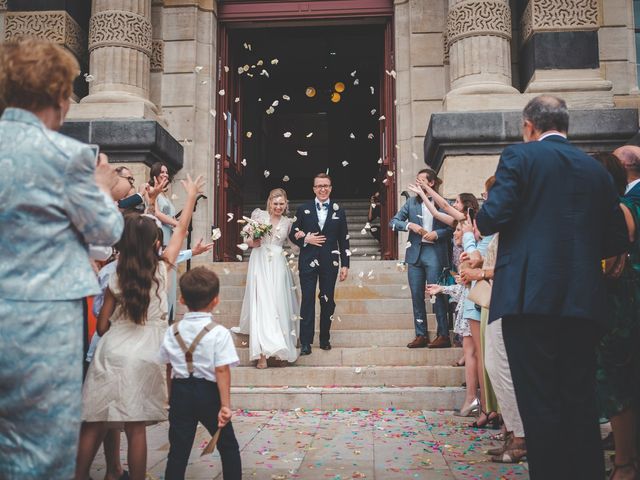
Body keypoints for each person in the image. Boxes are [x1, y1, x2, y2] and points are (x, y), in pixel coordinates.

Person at [476, 95, 629, 479]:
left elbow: (491, 217)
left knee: (539, 402)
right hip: (583, 301)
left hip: (529, 299)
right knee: (579, 401)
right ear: (566, 125)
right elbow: (614, 240)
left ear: (529, 126)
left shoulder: (519, 157)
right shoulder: (595, 169)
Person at [0, 37, 124, 479]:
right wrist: (103, 189)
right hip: (42, 324)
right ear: (58, 93)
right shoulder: (67, 157)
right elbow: (108, 232)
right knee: (42, 451)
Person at [75, 174, 205, 480]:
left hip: (110, 353)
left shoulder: (114, 274)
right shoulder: (163, 267)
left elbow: (103, 325)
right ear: (156, 242)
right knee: (135, 430)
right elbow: (182, 229)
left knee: (94, 422)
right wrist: (190, 198)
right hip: (145, 353)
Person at [160, 267, 242, 479]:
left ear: (181, 299)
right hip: (208, 394)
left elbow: (168, 366)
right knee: (228, 446)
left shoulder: (172, 331)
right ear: (216, 300)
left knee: (178, 450)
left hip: (180, 391)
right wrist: (225, 405)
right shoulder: (219, 333)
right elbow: (222, 369)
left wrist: (171, 397)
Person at [594, 151, 640, 480]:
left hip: (619, 305)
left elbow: (610, 265)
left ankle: (625, 464)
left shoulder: (617, 210)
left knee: (617, 384)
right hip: (626, 300)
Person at [232, 188, 300, 368]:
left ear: (286, 205)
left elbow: (294, 246)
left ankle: (279, 350)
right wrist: (252, 241)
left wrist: (304, 239)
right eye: (275, 203)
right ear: (269, 203)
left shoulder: (288, 222)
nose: (278, 207)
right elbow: (245, 236)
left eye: (281, 204)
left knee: (278, 304)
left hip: (278, 264)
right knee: (262, 304)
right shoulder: (259, 216)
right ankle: (261, 353)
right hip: (260, 261)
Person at [390, 168, 453, 349]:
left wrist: (437, 233)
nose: (418, 184)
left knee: (436, 293)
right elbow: (393, 221)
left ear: (431, 183)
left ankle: (443, 334)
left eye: (421, 181)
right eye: (417, 181)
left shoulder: (443, 203)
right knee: (416, 295)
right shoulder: (411, 203)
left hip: (434, 253)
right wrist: (410, 225)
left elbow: (452, 228)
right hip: (415, 254)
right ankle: (421, 334)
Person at [289, 173, 350, 355]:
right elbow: (293, 233)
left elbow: (344, 239)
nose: (322, 189)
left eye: (326, 185)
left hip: (330, 263)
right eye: (319, 186)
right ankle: (306, 342)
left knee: (327, 300)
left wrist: (345, 264)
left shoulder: (339, 211)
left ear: (330, 188)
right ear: (314, 189)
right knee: (307, 300)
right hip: (308, 261)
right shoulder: (303, 209)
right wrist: (306, 239)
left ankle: (325, 338)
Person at [149, 162, 179, 321]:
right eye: (162, 172)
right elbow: (157, 214)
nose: (166, 175)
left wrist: (179, 229)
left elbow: (171, 217)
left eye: (167, 172)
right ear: (154, 174)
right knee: (164, 280)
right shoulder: (152, 192)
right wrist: (176, 224)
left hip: (171, 238)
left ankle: (170, 319)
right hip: (161, 239)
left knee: (172, 283)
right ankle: (162, 318)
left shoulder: (166, 196)